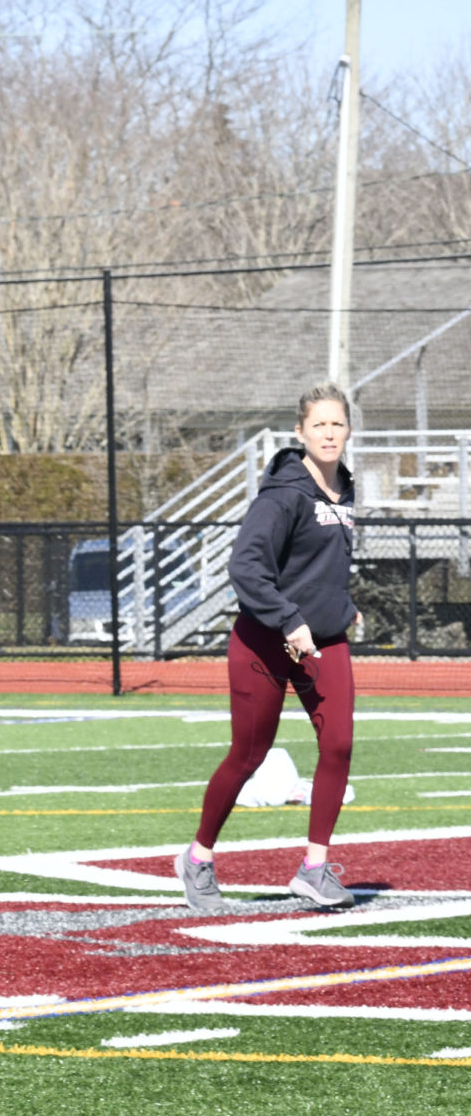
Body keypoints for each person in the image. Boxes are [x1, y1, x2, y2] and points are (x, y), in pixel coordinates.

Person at [178, 383, 360, 913]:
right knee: (249, 755)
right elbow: (246, 568)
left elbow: (319, 565)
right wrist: (289, 620)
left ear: (348, 430)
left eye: (337, 423)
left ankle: (313, 869)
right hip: (264, 640)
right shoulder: (282, 494)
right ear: (300, 432)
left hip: (323, 642)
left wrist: (342, 606)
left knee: (340, 745)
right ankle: (198, 858)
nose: (329, 432)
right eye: (319, 424)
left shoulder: (345, 489)